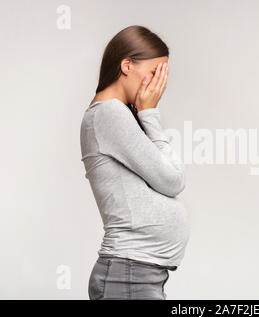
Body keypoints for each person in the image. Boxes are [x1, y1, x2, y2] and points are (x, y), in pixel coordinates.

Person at [80, 25, 190, 300]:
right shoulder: (108, 114)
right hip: (128, 277)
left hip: (134, 274)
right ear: (127, 65)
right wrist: (150, 113)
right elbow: (172, 180)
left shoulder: (117, 115)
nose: (157, 85)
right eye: (154, 73)